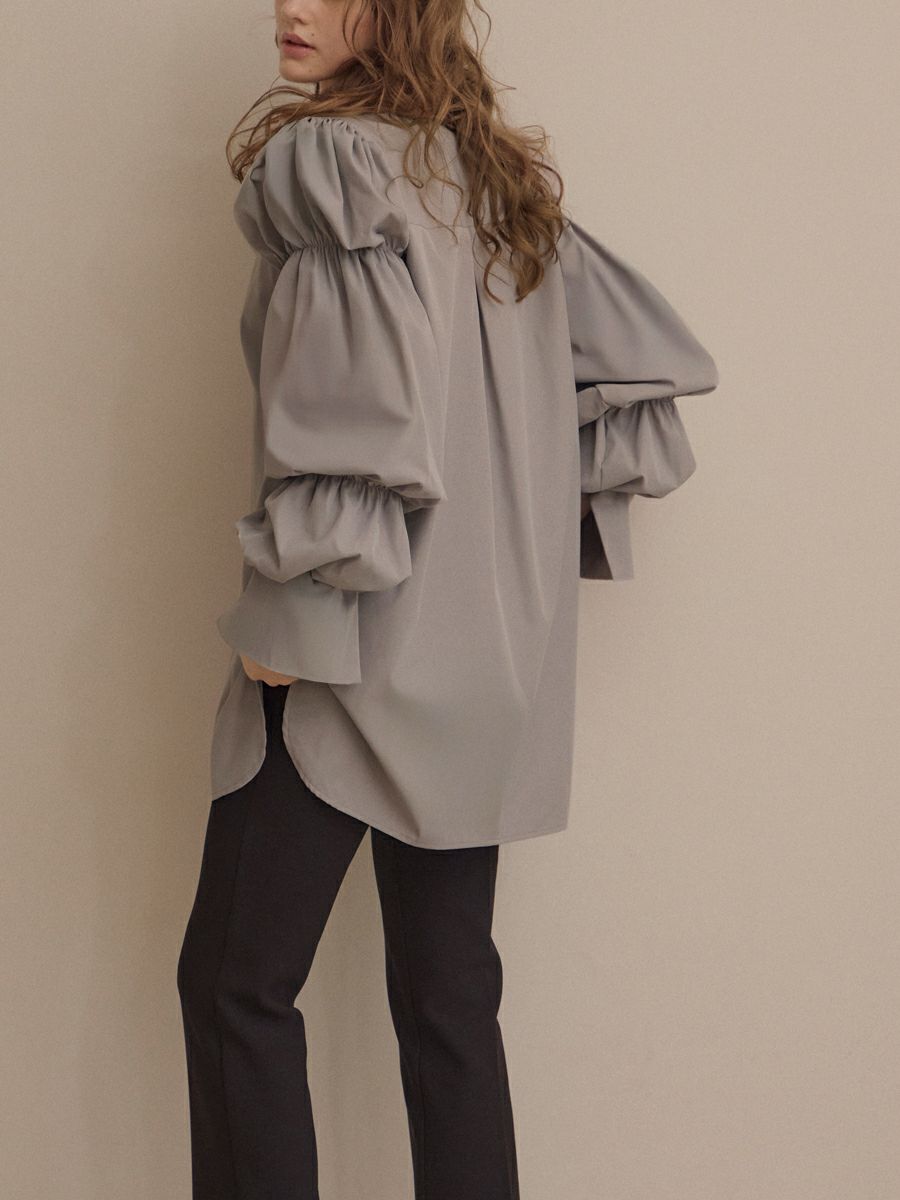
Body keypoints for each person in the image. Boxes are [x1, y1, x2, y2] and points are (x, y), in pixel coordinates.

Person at [176, 0, 720, 1197]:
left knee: (235, 988)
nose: (294, 7)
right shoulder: (492, 183)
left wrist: (292, 618)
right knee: (450, 1001)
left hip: (347, 648)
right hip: (488, 667)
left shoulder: (334, 166)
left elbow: (345, 417)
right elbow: (628, 379)